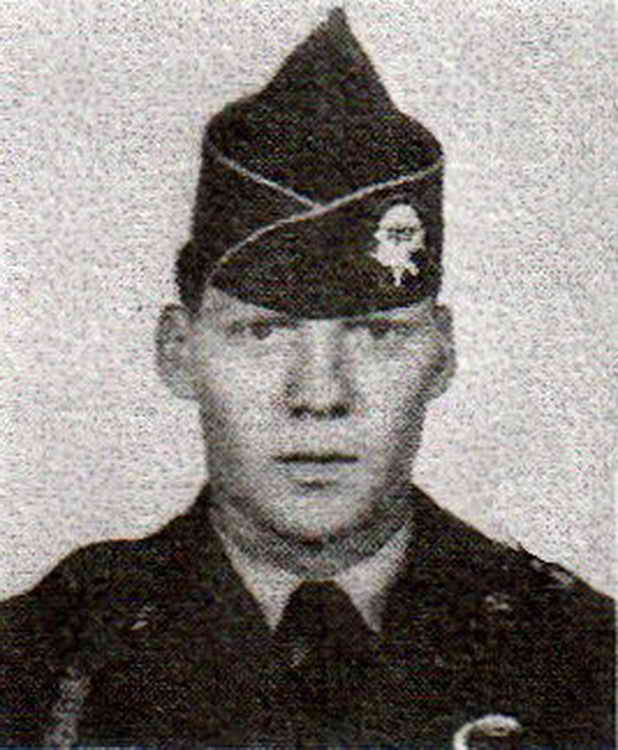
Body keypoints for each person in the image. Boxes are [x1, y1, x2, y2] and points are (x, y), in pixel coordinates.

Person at [0, 9, 614, 748]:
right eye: (264, 332)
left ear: (441, 355)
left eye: (376, 334)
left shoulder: (584, 661)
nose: (320, 397)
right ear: (179, 351)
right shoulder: (37, 665)